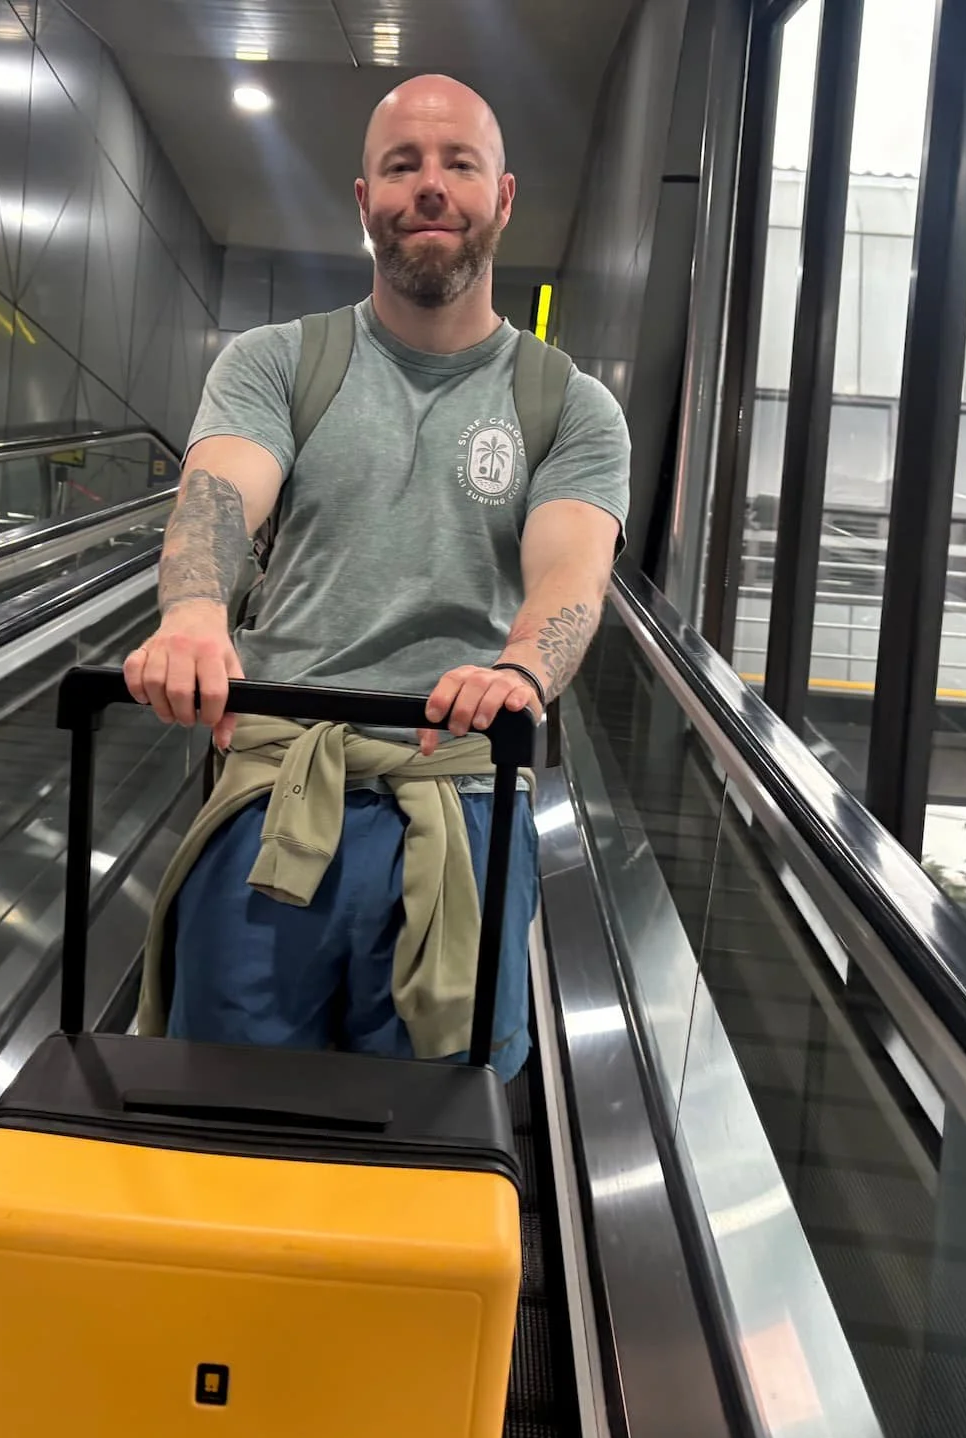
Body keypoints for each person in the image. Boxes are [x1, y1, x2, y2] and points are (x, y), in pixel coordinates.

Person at [123, 73, 630, 1081]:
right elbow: (218, 495)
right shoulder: (275, 363)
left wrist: (522, 670)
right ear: (364, 201)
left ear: (502, 197)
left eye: (459, 164)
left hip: (461, 804)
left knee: (433, 1129)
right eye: (402, 166)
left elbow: (571, 573)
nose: (430, 185)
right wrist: (193, 615)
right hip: (276, 794)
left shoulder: (569, 407)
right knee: (228, 1112)